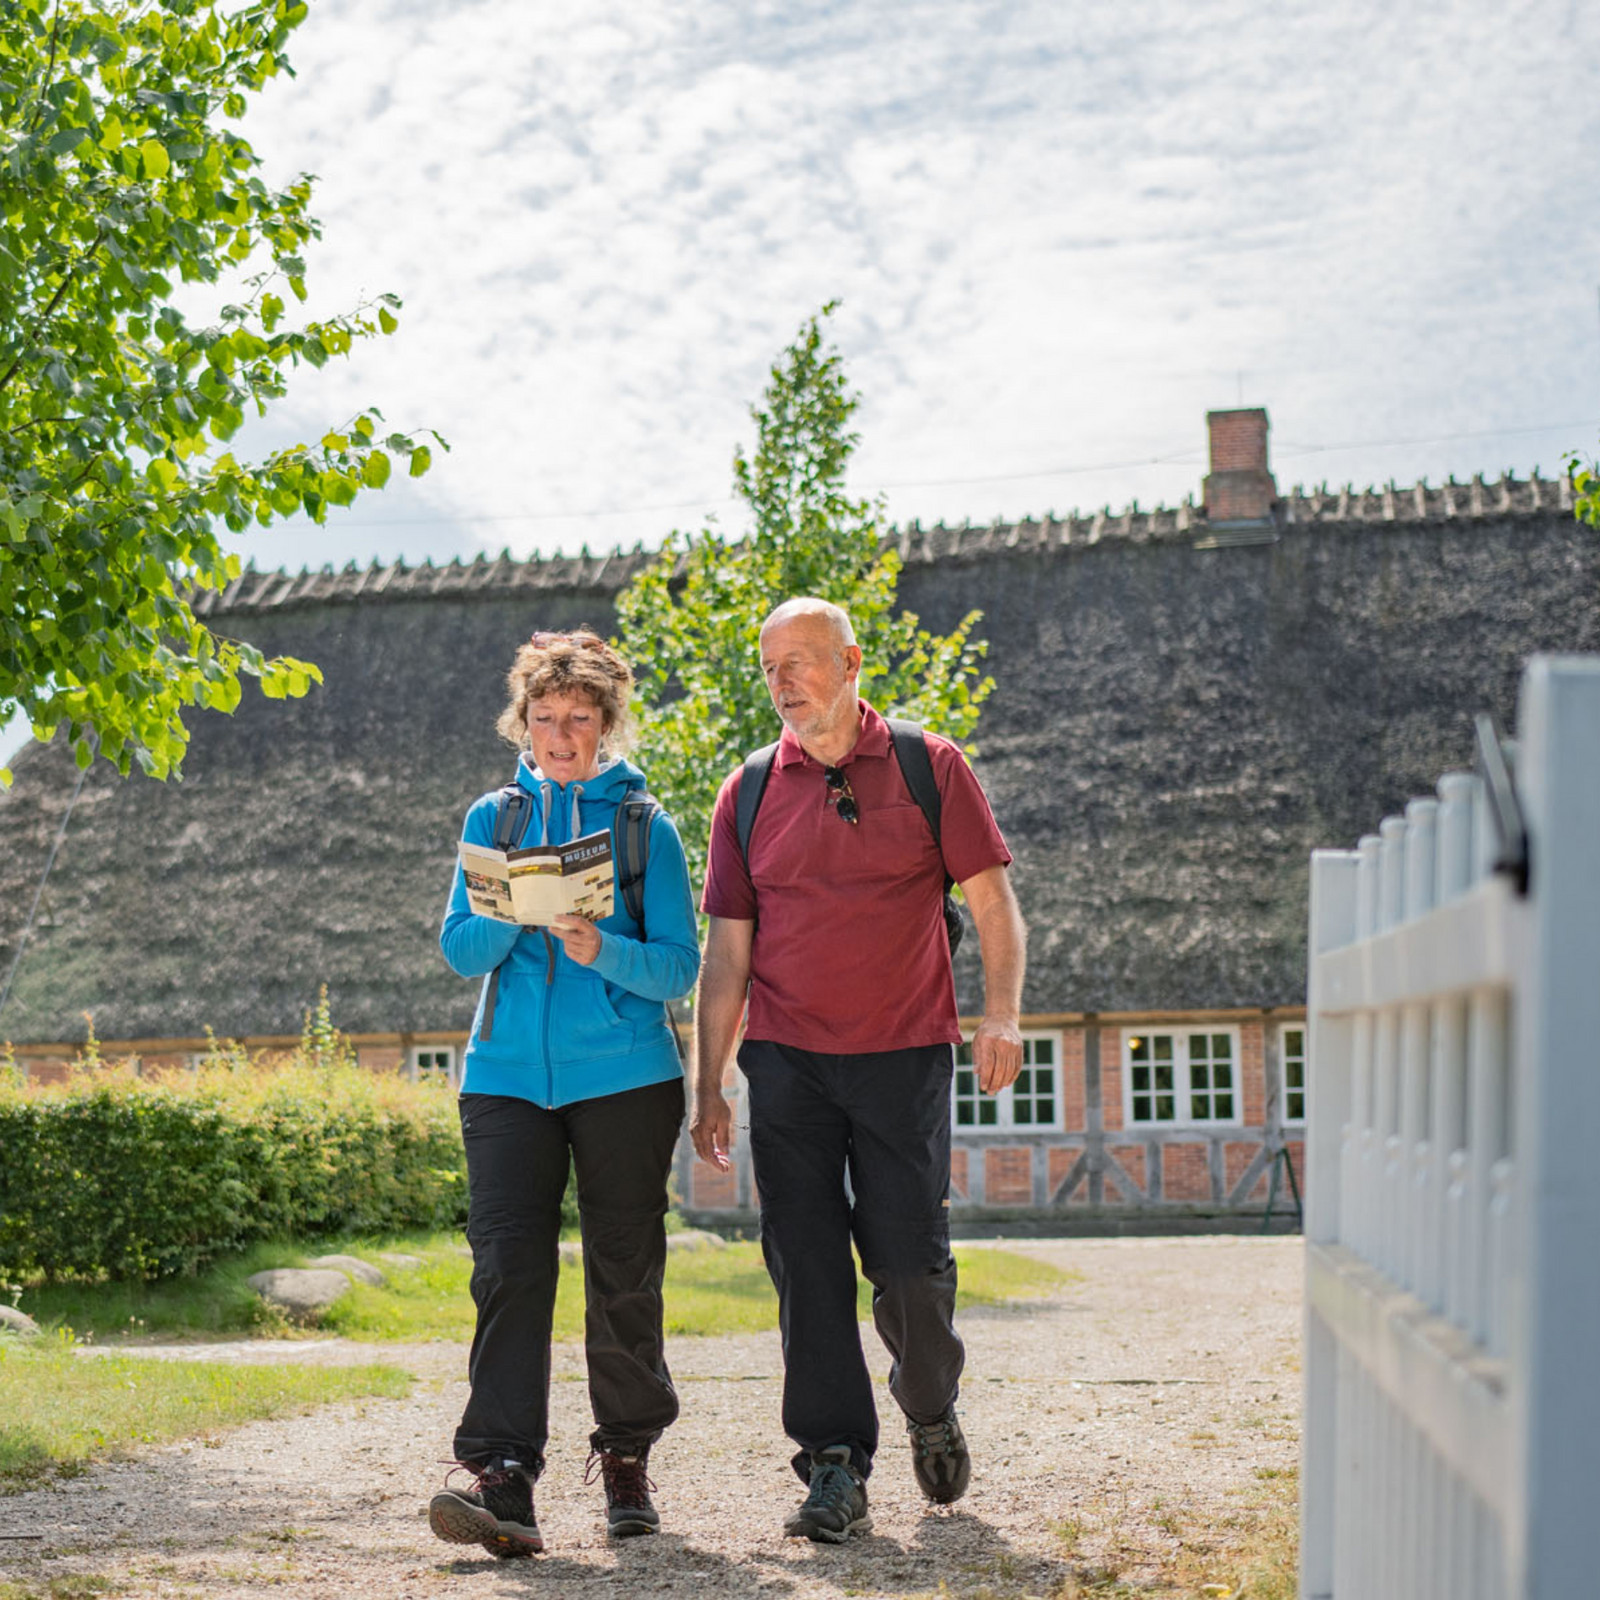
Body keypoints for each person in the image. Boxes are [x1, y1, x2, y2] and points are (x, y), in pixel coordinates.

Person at [691, 597, 1026, 1544]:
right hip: (788, 1063)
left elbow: (993, 905)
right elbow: (727, 957)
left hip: (903, 1057)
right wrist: (707, 1081)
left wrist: (999, 1013)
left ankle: (929, 1400)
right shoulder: (748, 790)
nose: (783, 681)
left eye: (799, 661)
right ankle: (834, 1462)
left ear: (851, 661)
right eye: (769, 668)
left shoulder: (930, 764)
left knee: (909, 1265)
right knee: (803, 1264)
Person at [427, 629, 700, 1557]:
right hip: (505, 1079)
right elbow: (459, 948)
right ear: (524, 722)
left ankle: (625, 1456)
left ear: (605, 723)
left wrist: (602, 948)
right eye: (544, 718)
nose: (559, 735)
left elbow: (678, 970)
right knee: (509, 1268)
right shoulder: (491, 819)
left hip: (626, 1078)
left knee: (623, 1268)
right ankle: (504, 1475)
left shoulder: (643, 827)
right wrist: (511, 919)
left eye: (578, 719)